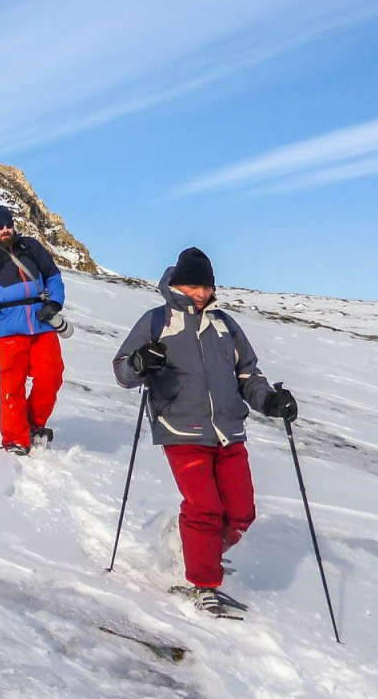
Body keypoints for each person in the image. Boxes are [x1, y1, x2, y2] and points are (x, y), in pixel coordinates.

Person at [112, 247, 298, 616]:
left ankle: (197, 551)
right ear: (177, 284)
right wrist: (139, 363)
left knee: (242, 513)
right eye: (194, 285)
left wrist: (271, 402)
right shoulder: (156, 321)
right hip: (180, 428)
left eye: (207, 286)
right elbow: (122, 371)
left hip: (229, 431)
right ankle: (204, 583)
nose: (201, 293)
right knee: (205, 509)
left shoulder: (225, 325)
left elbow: (248, 373)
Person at [0, 205, 67, 455]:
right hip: (8, 327)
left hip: (42, 322)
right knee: (12, 384)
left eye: (8, 225)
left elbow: (53, 275)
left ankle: (32, 424)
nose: (5, 230)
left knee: (52, 376)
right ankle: (14, 438)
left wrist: (54, 302)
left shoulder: (31, 247)